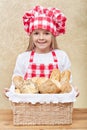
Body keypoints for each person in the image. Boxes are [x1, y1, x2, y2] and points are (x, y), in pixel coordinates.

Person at [4, 5, 79, 96]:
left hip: (55, 106)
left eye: (46, 33)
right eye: (36, 33)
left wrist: (73, 91)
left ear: (53, 35)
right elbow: (16, 82)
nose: (41, 38)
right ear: (31, 35)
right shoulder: (23, 57)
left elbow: (67, 83)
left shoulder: (61, 56)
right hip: (29, 106)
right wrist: (11, 92)